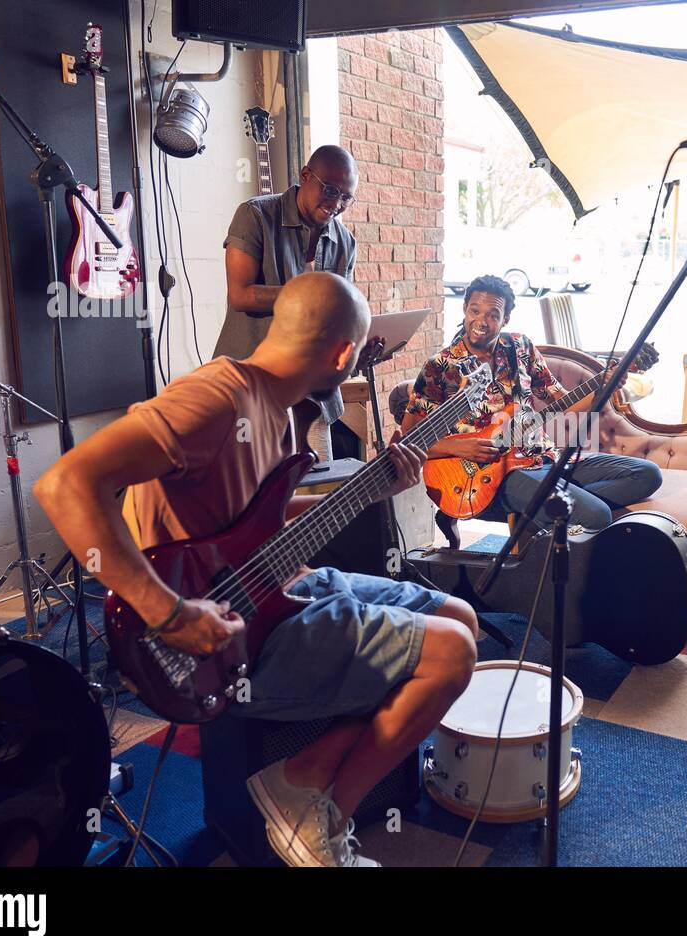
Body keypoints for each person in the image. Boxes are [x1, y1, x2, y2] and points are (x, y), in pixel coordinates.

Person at [35, 273, 477, 868]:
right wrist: (167, 611)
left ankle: (306, 772)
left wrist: (372, 490)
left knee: (460, 616)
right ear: (345, 354)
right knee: (452, 654)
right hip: (221, 637)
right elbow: (64, 483)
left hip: (280, 586)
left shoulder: (278, 407)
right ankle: (321, 814)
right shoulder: (216, 397)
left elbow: (260, 517)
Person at [401, 274, 662, 531]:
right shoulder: (442, 366)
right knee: (596, 515)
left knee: (647, 474)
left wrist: (602, 387)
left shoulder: (520, 347)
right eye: (475, 311)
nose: (481, 321)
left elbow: (563, 404)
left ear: (505, 319)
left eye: (493, 315)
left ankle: (548, 509)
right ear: (465, 309)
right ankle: (558, 508)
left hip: (545, 459)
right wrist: (461, 448)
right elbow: (408, 440)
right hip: (492, 475)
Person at [213, 145, 361, 455]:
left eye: (346, 197)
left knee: (319, 496)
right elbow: (240, 294)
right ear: (306, 175)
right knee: (253, 496)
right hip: (249, 390)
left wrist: (361, 345)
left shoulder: (345, 242)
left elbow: (340, 315)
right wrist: (312, 296)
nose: (336, 203)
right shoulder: (255, 215)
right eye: (330, 190)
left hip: (313, 398)